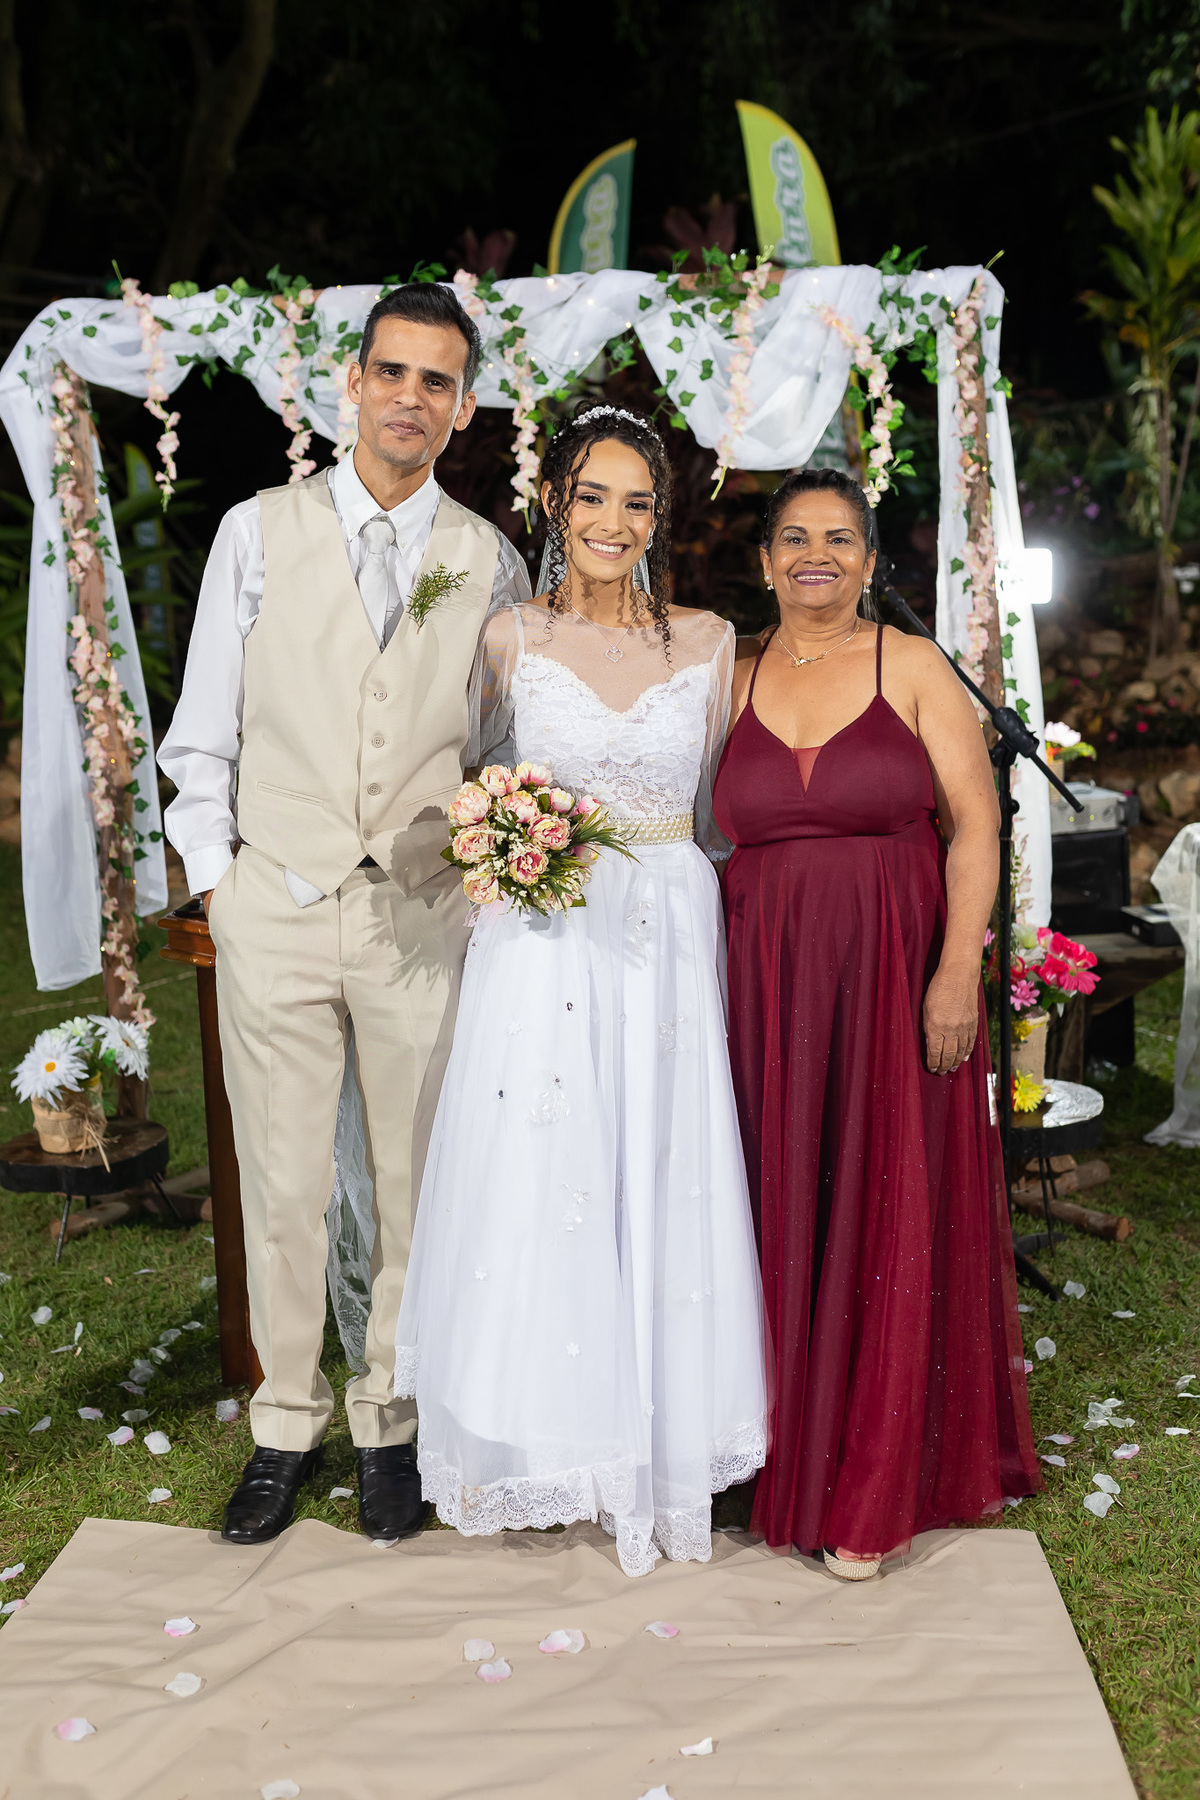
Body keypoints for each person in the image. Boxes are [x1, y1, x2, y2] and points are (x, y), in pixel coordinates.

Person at [158, 282, 531, 1545]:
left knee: (417, 1179)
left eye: (438, 381)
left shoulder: (486, 558)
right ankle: (283, 1422)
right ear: (353, 383)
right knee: (283, 1181)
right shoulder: (257, 532)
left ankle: (391, 1422)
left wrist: (478, 864)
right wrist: (220, 881)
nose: (410, 399)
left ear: (463, 407)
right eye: (393, 372)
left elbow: (500, 743)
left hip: (422, 911)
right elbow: (201, 729)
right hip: (276, 898)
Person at [390, 403, 768, 1578]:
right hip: (545, 938)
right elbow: (460, 776)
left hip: (668, 933)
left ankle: (667, 1437)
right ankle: (552, 1440)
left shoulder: (710, 644)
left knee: (661, 1166)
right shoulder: (507, 639)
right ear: (554, 503)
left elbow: (728, 809)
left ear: (662, 518)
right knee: (549, 1175)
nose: (614, 520)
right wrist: (498, 843)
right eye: (592, 496)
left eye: (637, 502)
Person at [712, 467, 1040, 1580]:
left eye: (839, 538)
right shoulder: (730, 677)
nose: (817, 555)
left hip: (896, 974)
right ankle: (776, 1455)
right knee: (777, 1205)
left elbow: (976, 826)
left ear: (868, 559)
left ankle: (873, 1484)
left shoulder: (914, 664)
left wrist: (956, 971)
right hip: (763, 984)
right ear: (765, 561)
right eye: (795, 538)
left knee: (886, 1202)